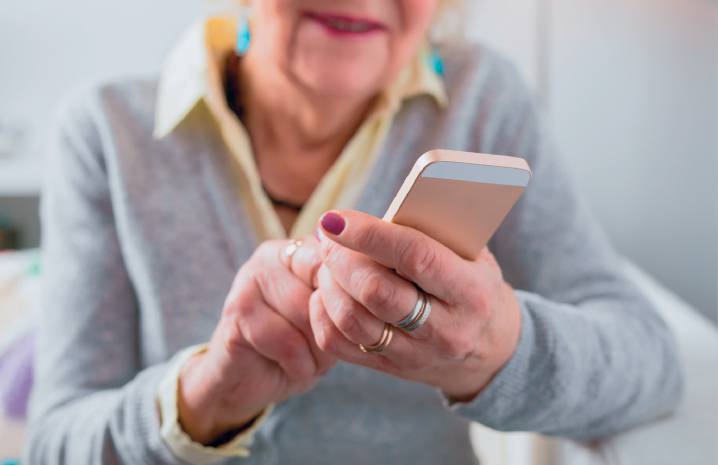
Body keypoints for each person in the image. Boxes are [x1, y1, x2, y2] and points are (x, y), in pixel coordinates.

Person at [26, 1, 683, 463]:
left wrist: (498, 347)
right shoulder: (106, 130)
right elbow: (54, 444)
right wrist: (207, 395)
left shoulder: (483, 98)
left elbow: (649, 361)